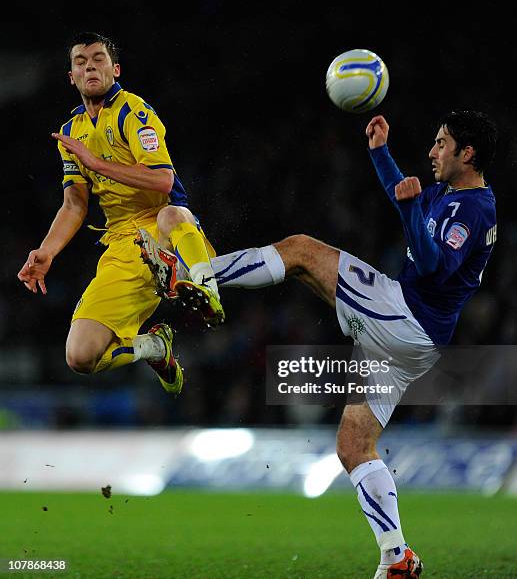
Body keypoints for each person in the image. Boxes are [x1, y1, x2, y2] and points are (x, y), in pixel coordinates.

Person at [140, 110, 497, 577]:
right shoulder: (452, 195)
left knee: (302, 250)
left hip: (405, 315)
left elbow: (433, 266)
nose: (432, 152)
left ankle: (195, 274)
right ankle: (397, 556)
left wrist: (411, 208)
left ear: (466, 153)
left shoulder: (473, 209)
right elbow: (402, 200)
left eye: (442, 143)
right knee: (354, 445)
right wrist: (380, 154)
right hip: (415, 340)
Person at [17, 32, 224, 394]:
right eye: (80, 62)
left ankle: (207, 290)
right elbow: (74, 204)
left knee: (171, 215)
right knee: (79, 356)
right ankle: (154, 347)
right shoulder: (71, 132)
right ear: (72, 77)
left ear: (115, 69)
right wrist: (46, 251)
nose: (89, 65)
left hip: (168, 230)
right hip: (120, 245)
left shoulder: (134, 110)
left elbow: (162, 180)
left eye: (98, 58)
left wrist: (95, 161)